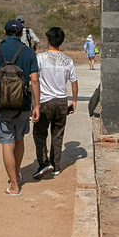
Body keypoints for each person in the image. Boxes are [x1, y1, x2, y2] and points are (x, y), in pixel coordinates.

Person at [0, 19, 40, 196]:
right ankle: (16, 173)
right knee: (19, 140)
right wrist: (36, 105)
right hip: (23, 104)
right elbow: (34, 81)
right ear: (21, 33)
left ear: (4, 32)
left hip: (3, 105)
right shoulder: (29, 52)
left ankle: (14, 185)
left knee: (6, 142)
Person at [33, 27, 78, 179]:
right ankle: (56, 165)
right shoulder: (68, 61)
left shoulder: (40, 58)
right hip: (61, 102)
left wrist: (35, 103)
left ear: (48, 41)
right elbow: (74, 83)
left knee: (40, 133)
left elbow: (34, 80)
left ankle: (43, 162)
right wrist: (74, 101)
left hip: (45, 101)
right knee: (57, 134)